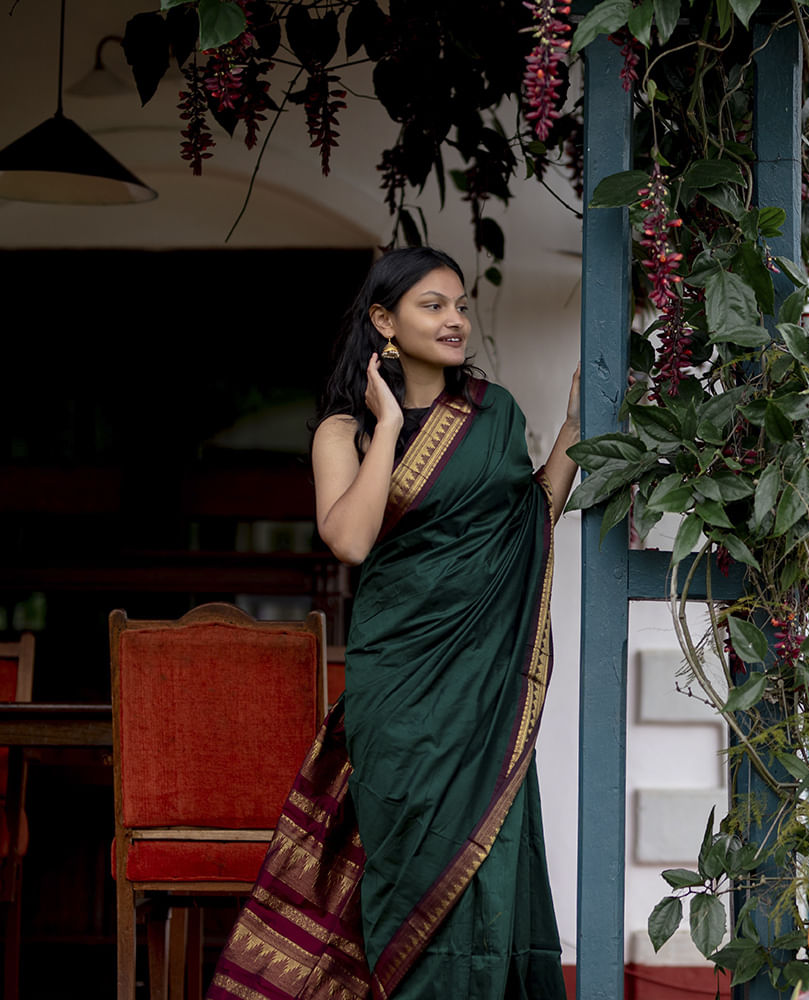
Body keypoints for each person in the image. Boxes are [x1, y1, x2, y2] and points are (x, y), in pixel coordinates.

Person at [207, 247, 580, 1000]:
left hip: (483, 692)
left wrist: (576, 423)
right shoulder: (341, 433)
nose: (455, 321)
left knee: (487, 865)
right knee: (411, 864)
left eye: (461, 305)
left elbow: (529, 515)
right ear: (384, 320)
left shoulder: (494, 412)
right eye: (432, 306)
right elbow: (349, 539)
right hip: (400, 693)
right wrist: (384, 421)